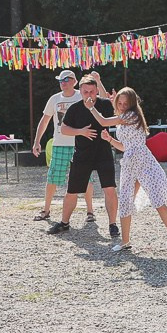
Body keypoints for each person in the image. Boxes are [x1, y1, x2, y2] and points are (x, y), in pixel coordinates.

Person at [89, 85, 167, 254]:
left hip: (144, 161)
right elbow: (124, 147)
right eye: (120, 103)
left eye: (125, 103)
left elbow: (103, 121)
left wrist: (91, 107)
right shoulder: (123, 118)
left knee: (157, 200)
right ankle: (125, 241)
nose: (122, 106)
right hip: (130, 162)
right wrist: (109, 139)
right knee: (125, 200)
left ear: (132, 104)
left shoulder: (131, 115)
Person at [52, 73, 119, 238]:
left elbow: (116, 112)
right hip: (82, 154)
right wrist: (80, 132)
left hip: (103, 153)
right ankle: (64, 222)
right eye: (85, 91)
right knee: (72, 190)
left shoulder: (104, 104)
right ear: (80, 91)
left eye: (92, 91)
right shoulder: (75, 108)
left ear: (96, 91)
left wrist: (102, 83)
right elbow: (64, 129)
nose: (89, 95)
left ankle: (113, 224)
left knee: (109, 189)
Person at [31, 69, 80, 222]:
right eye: (60, 80)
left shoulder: (82, 95)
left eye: (66, 80)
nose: (63, 83)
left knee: (87, 179)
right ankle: (46, 209)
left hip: (80, 144)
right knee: (52, 178)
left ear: (74, 81)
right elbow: (45, 120)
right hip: (60, 144)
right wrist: (36, 141)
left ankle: (90, 212)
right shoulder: (54, 99)